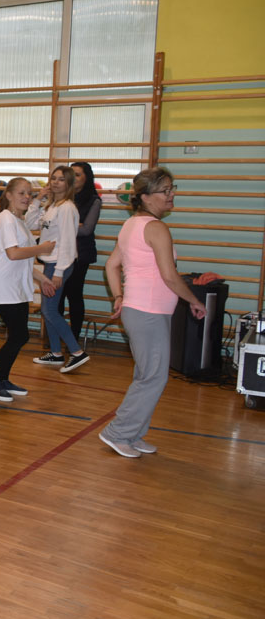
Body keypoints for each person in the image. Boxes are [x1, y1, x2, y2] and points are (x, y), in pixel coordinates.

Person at [100, 169, 204, 458]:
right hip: (148, 313)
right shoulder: (156, 228)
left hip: (142, 311)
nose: (171, 195)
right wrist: (195, 301)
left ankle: (132, 434)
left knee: (147, 374)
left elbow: (111, 265)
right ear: (145, 197)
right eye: (165, 191)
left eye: (172, 188)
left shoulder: (131, 224)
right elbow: (170, 277)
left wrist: (119, 296)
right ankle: (118, 433)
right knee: (153, 378)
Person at [0, 178, 56, 402]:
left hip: (17, 286)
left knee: (19, 335)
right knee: (19, 335)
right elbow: (13, 254)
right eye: (21, 193)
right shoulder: (5, 218)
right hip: (4, 286)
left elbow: (23, 260)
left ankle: (2, 378)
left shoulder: (19, 220)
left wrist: (42, 279)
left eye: (29, 193)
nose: (26, 197)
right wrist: (42, 248)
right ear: (9, 195)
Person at [27, 166, 90, 373]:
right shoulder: (52, 206)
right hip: (50, 262)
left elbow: (67, 242)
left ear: (69, 184)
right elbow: (30, 223)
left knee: (49, 310)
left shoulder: (67, 208)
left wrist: (59, 272)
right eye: (53, 178)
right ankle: (55, 353)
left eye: (61, 179)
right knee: (49, 310)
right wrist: (38, 199)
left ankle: (77, 352)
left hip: (58, 264)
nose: (55, 182)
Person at [59, 161, 102, 343]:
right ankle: (58, 336)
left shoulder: (94, 200)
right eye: (72, 174)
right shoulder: (62, 197)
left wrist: (62, 225)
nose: (74, 178)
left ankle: (73, 338)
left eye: (78, 175)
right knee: (57, 296)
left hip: (80, 254)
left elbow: (86, 230)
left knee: (74, 294)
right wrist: (73, 225)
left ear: (87, 178)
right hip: (60, 252)